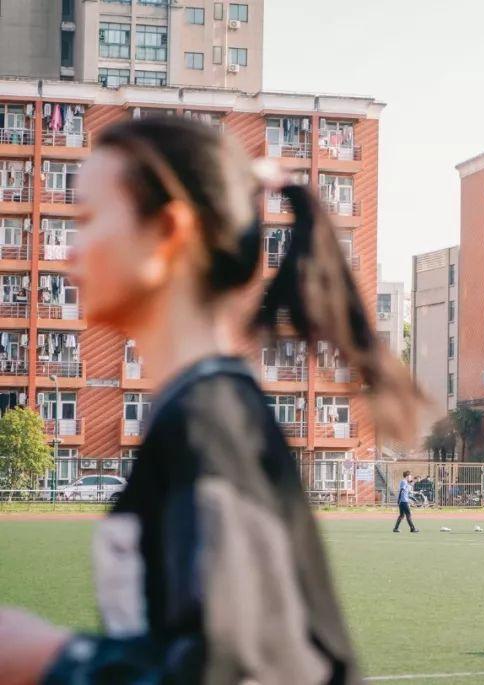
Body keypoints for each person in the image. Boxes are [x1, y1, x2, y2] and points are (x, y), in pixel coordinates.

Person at [0, 116, 423, 684]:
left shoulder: (209, 423)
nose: (67, 251)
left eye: (88, 219)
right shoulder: (196, 410)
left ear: (169, 232)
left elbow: (239, 671)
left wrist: (46, 655)